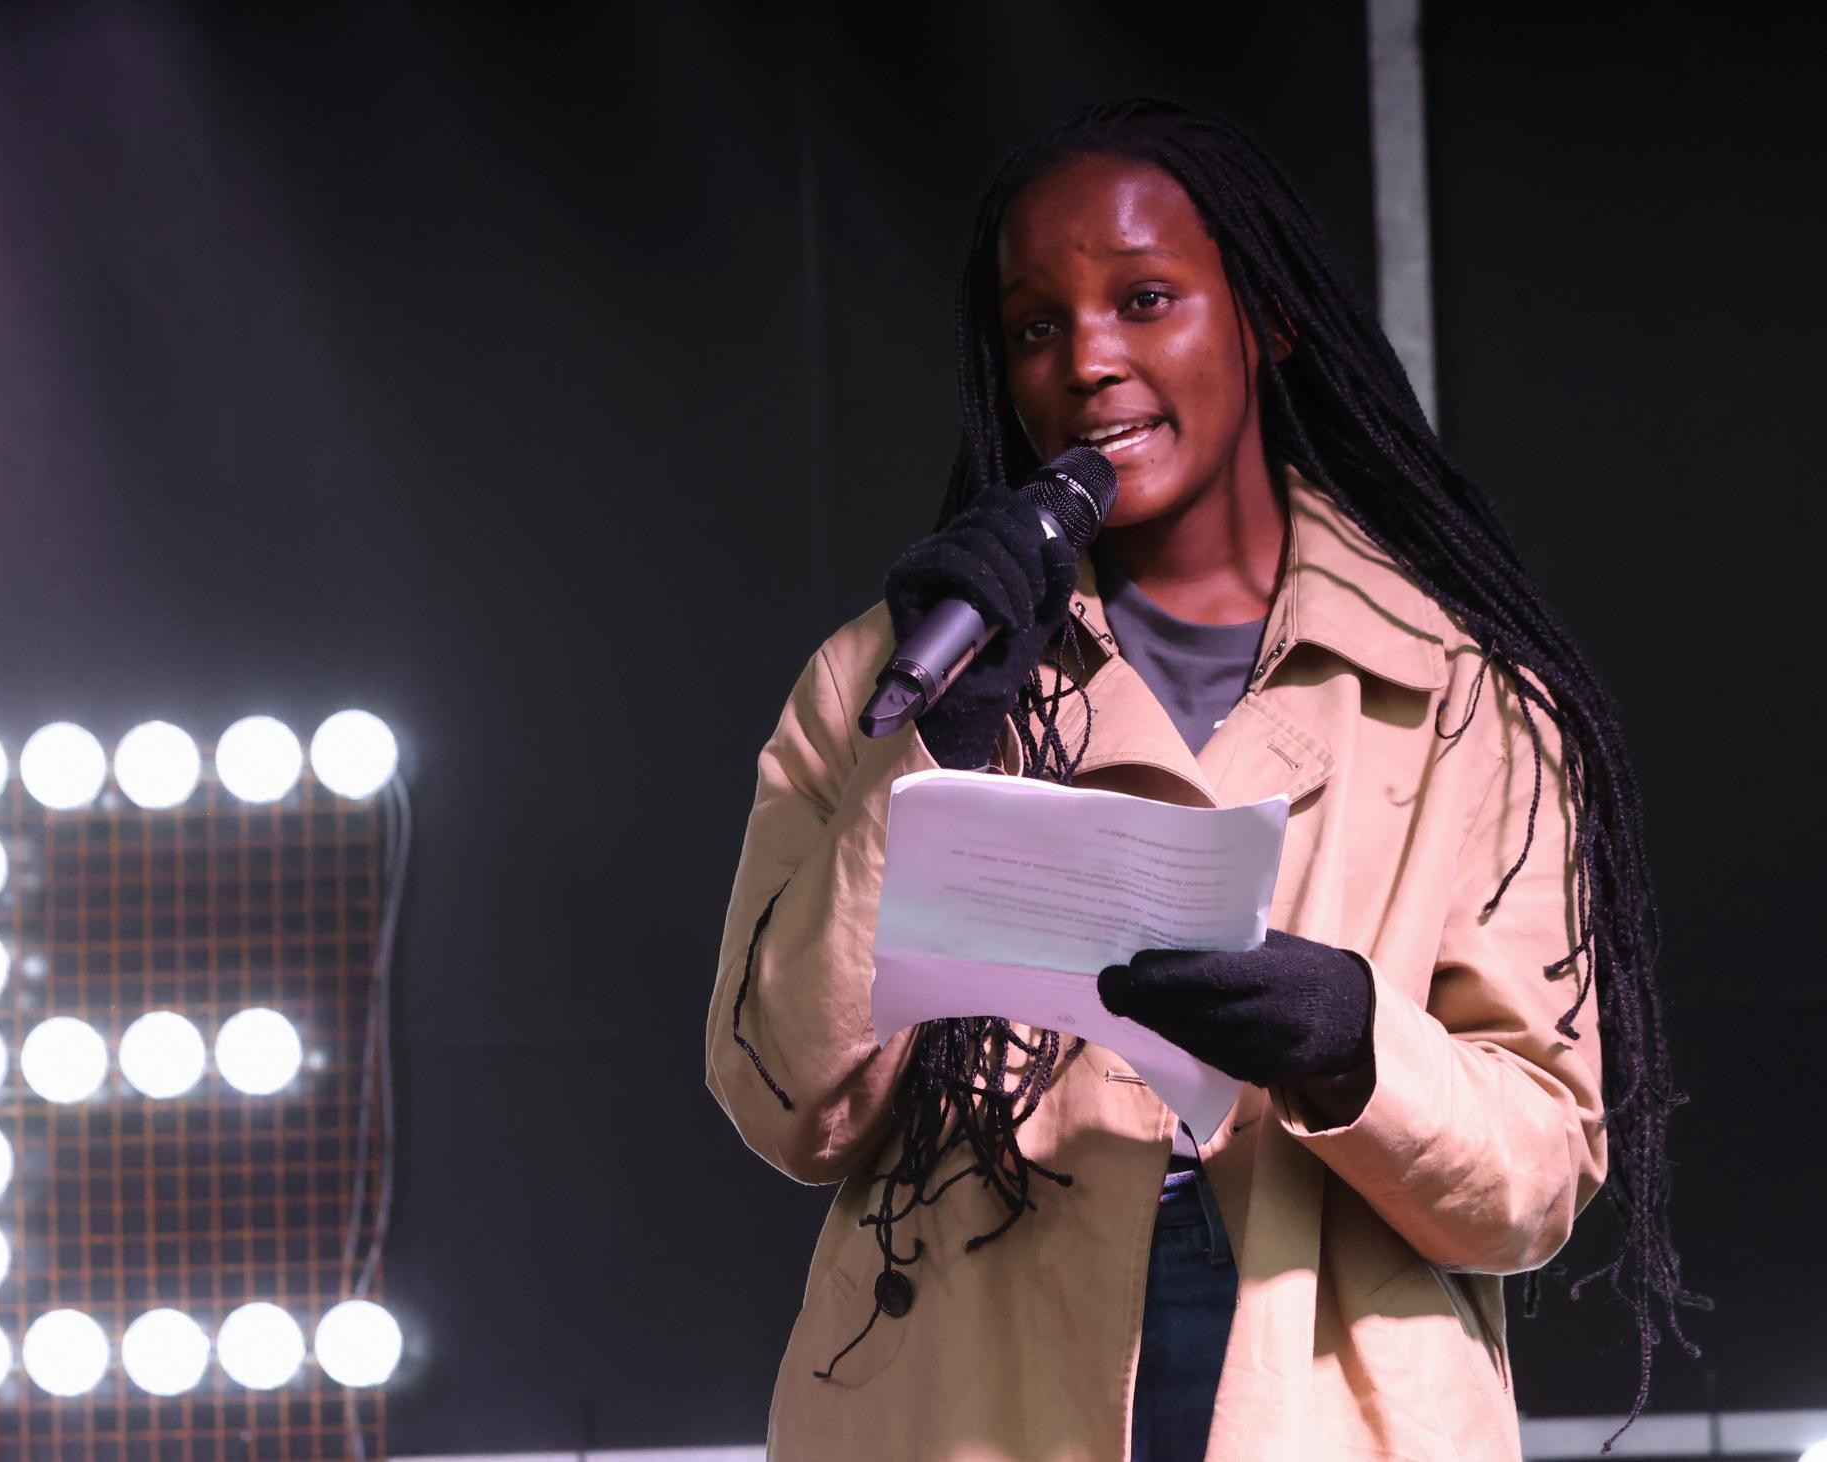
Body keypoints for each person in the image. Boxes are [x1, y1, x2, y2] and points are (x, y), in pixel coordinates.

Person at [704, 96, 1699, 1461]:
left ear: (1266, 317)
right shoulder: (887, 678)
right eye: (1036, 325)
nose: (1088, 361)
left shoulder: (1468, 699)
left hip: (1326, 1394)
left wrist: (1356, 1041)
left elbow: (1529, 1184)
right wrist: (928, 756)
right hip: (972, 1397)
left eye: (1147, 297)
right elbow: (783, 1102)